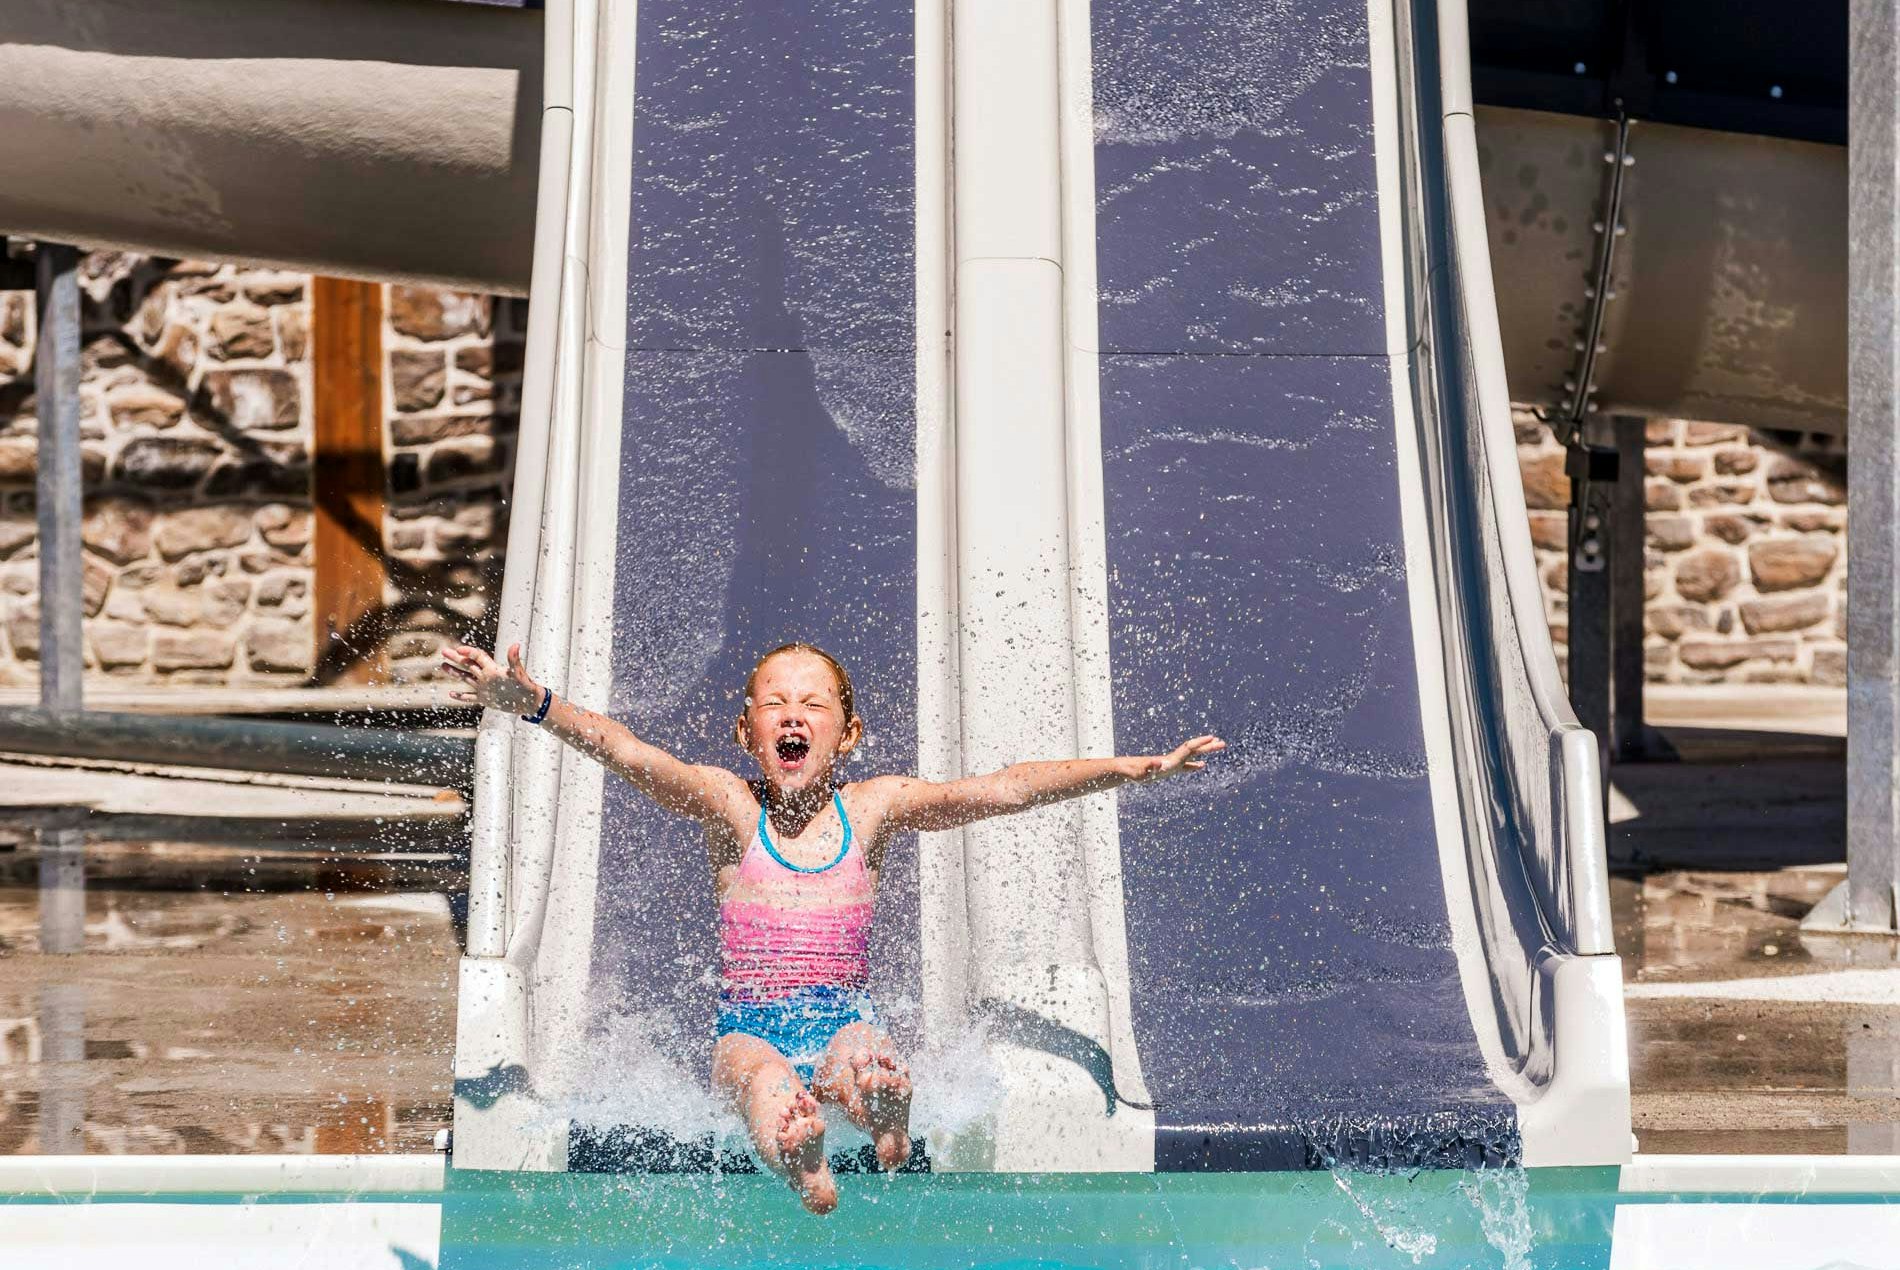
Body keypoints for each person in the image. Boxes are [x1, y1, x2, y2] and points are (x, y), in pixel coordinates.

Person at [440, 639, 1224, 1213]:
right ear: (746, 733)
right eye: (774, 704)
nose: (793, 715)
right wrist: (534, 705)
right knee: (760, 1078)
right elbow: (631, 753)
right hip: (749, 1025)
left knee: (866, 1052)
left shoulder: (873, 808)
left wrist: (1132, 769)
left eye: (813, 705)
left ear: (845, 735)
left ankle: (882, 1109)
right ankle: (800, 1151)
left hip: (844, 1012)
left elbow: (1005, 789)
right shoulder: (729, 805)